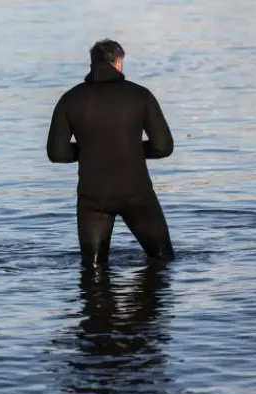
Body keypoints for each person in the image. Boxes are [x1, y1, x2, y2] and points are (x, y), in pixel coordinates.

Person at [46, 39, 176, 267]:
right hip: (137, 194)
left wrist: (90, 151)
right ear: (118, 62)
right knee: (163, 260)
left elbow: (57, 153)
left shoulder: (70, 99)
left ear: (92, 63)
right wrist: (130, 150)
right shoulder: (140, 95)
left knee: (93, 268)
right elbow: (163, 146)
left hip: (92, 198)